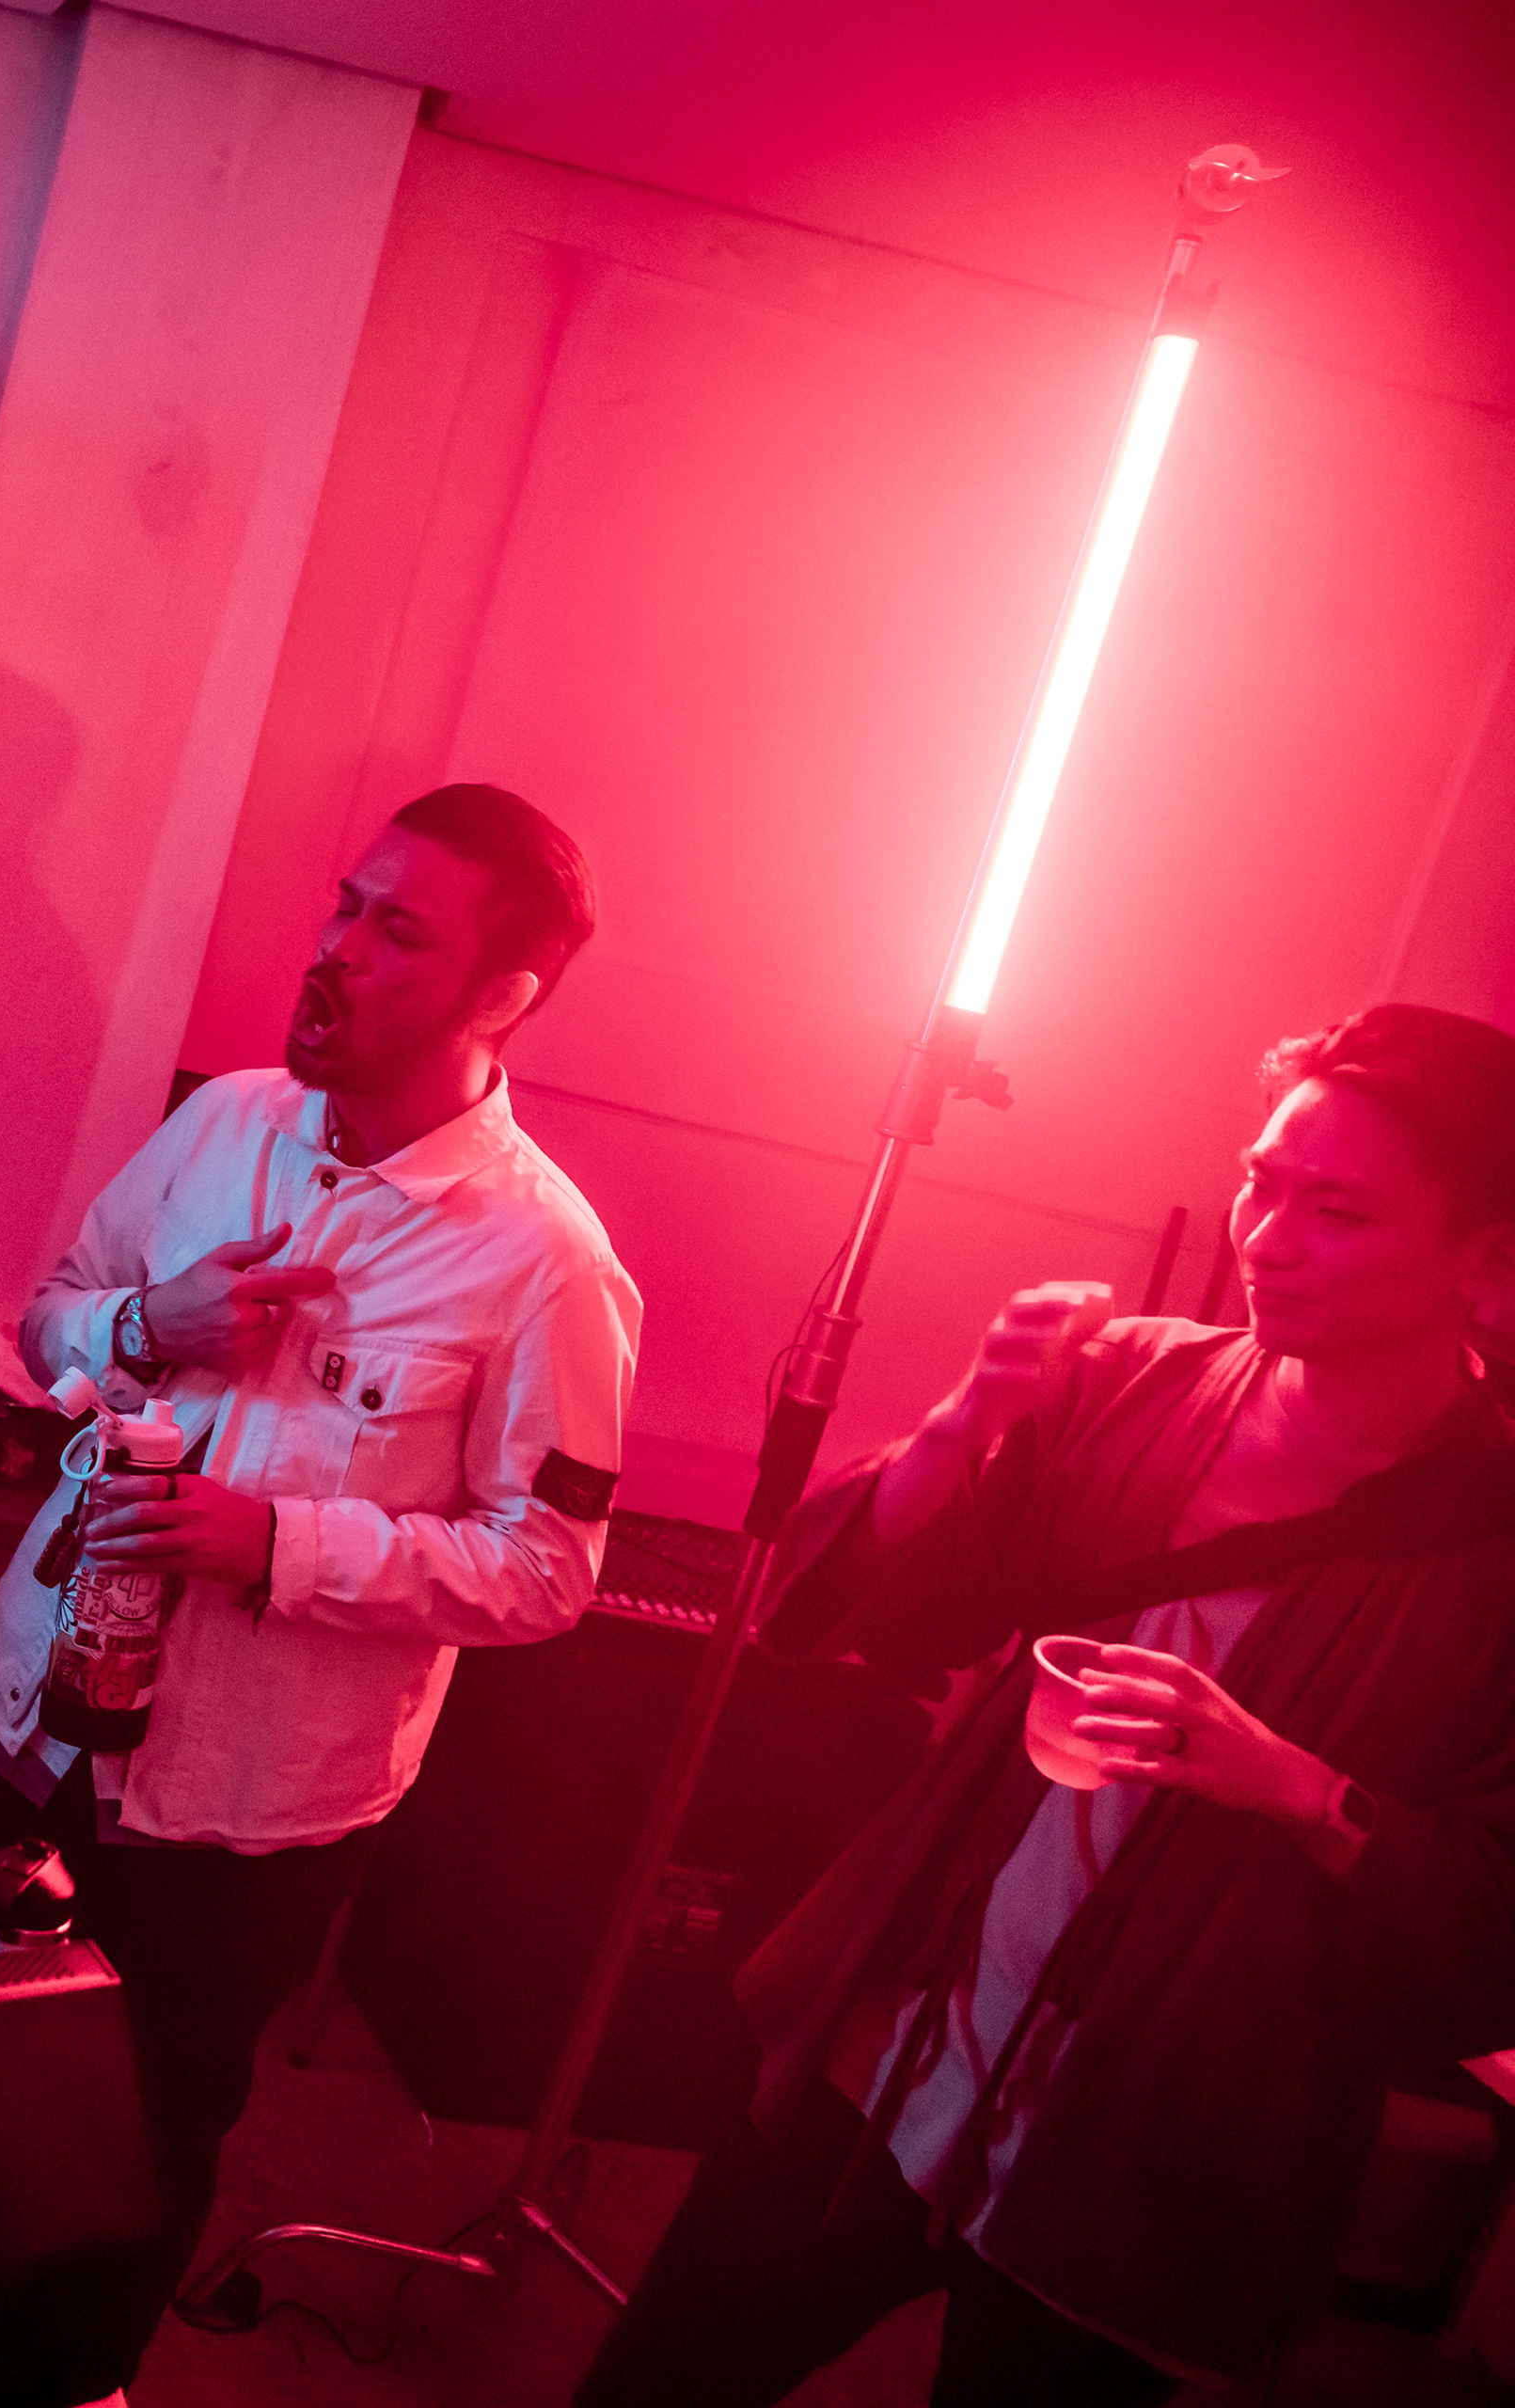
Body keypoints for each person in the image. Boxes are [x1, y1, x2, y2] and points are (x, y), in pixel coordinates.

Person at [579, 1005, 1515, 2408]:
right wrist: (961, 1424)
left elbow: (1490, 1930)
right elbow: (872, 1621)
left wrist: (1296, 1788)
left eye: (1340, 1212)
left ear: (1485, 1263)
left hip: (1157, 2151)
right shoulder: (1138, 1382)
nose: (1268, 1238)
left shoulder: (1491, 1558)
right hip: (894, 2040)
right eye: (1261, 1183)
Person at [0, 783, 643, 2350]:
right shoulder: (225, 1121)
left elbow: (546, 1569)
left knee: (129, 2149)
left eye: (399, 932)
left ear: (501, 997)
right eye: (346, 906)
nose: (339, 949)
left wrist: (277, 1547)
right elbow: (53, 1316)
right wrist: (146, 1324)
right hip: (28, 1713)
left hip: (238, 1812)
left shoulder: (546, 1262)